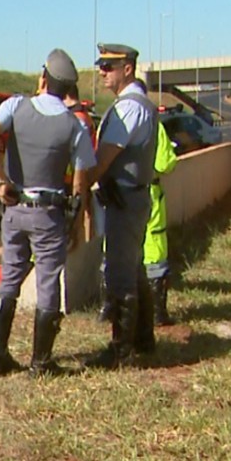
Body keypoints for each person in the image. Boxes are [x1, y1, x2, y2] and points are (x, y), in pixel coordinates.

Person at [0, 48, 96, 377]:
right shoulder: (75, 126)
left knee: (10, 279)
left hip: (16, 208)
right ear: (68, 89)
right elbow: (82, 177)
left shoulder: (17, 105)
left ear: (43, 77)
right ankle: (40, 362)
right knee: (48, 284)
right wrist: (76, 219)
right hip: (48, 213)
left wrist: (3, 179)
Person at [85, 44, 160, 368]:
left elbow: (105, 157)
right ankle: (143, 339)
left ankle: (122, 351)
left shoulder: (129, 108)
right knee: (133, 267)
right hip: (131, 195)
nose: (102, 71)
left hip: (124, 198)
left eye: (108, 66)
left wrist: (82, 182)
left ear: (127, 68)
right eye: (101, 65)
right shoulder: (138, 104)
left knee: (120, 273)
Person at [144, 97, 179, 326]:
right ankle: (157, 313)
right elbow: (165, 163)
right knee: (155, 250)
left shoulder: (115, 118)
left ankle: (109, 309)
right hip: (149, 192)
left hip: (120, 195)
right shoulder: (154, 126)